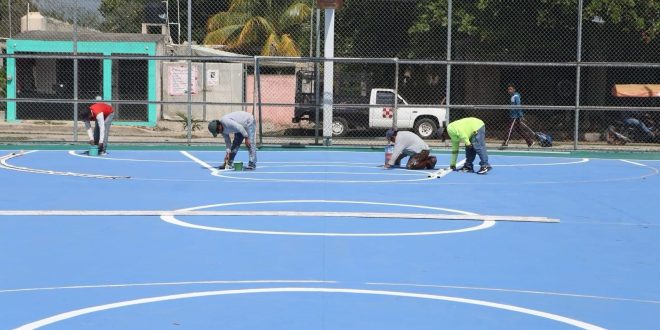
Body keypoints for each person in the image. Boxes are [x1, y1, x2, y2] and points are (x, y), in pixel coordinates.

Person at [502, 84, 534, 148]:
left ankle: (505, 142)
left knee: (510, 129)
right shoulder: (513, 96)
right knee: (519, 130)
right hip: (512, 116)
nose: (509, 91)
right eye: (508, 89)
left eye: (511, 89)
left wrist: (521, 115)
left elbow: (518, 106)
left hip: (515, 116)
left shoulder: (516, 96)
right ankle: (530, 142)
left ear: (514, 89)